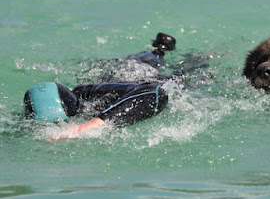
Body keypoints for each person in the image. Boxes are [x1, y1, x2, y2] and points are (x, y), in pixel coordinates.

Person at [23, 33, 176, 141]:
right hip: (119, 76)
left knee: (156, 61)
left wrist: (88, 126)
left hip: (144, 78)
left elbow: (157, 93)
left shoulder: (91, 102)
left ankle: (162, 48)